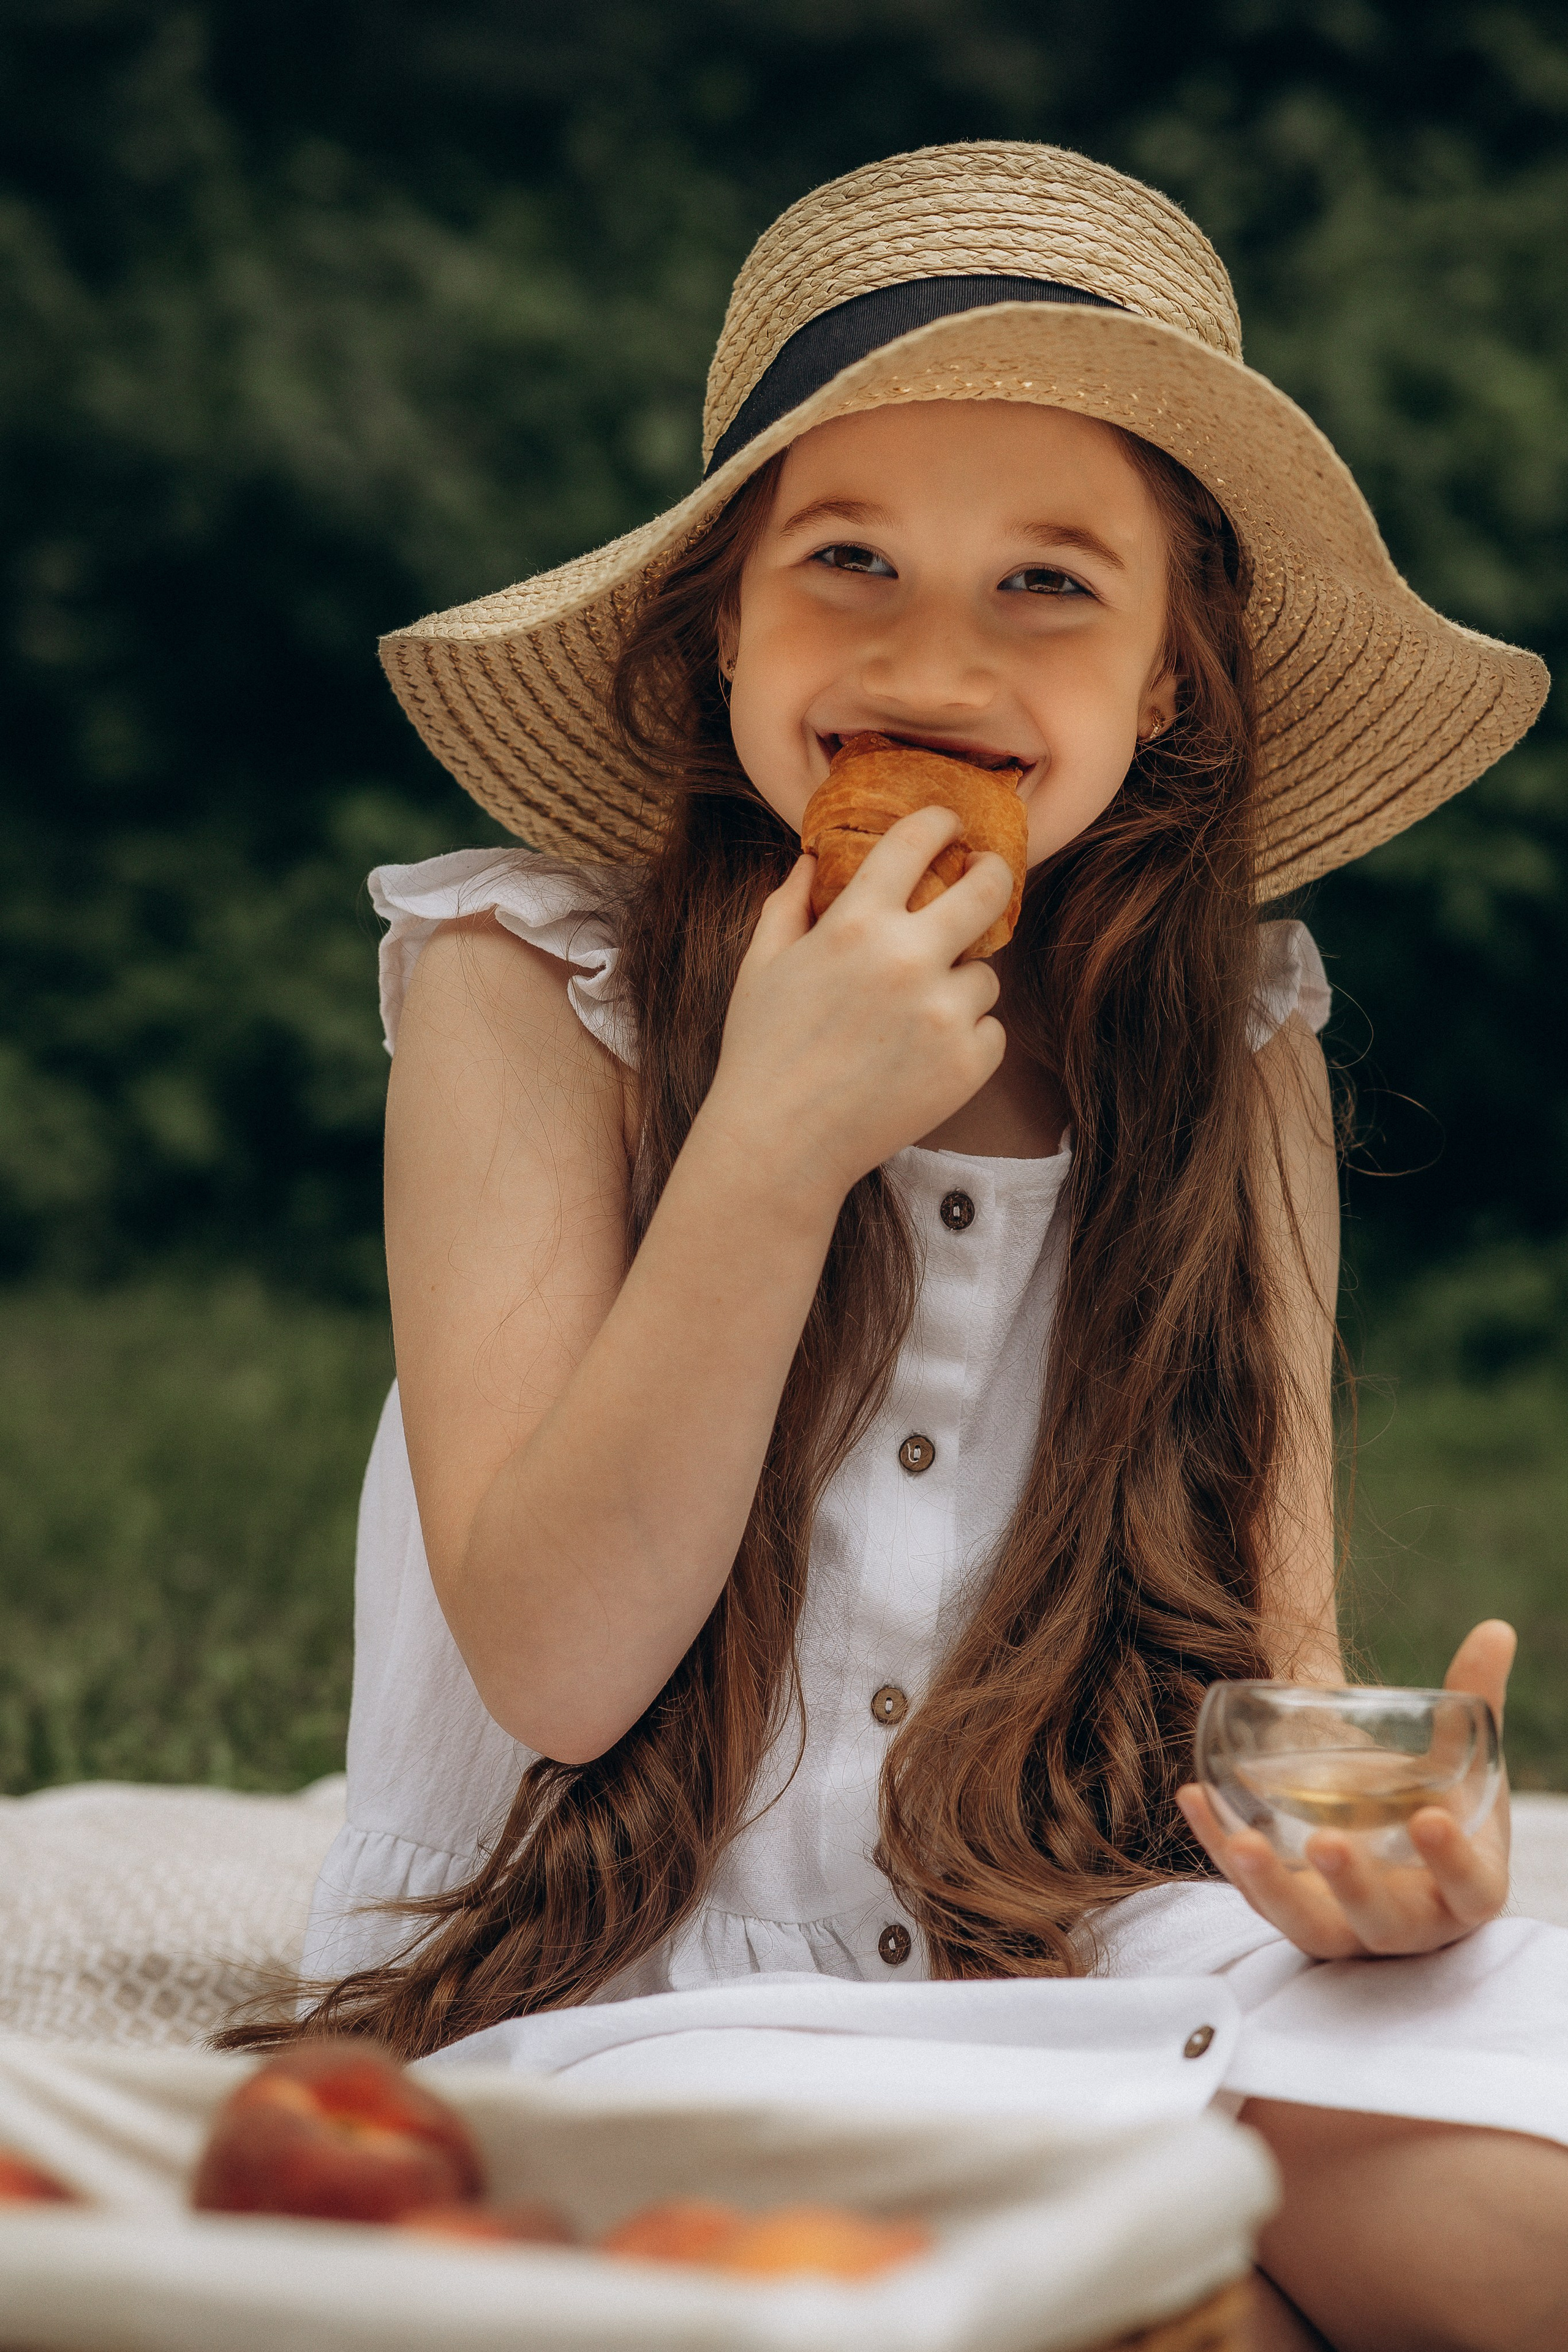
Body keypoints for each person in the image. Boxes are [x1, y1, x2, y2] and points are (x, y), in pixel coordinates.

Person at [249, 146, 1564, 2347]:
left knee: (1516, 2229)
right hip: (632, 1968)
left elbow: (1274, 1672)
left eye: (1053, 585)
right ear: (722, 630)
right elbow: (562, 1664)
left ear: (1168, 688)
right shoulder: (521, 981)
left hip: (1083, 1938)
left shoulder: (1227, 1039)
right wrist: (774, 1139)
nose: (931, 655)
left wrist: (1360, 1854)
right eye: (844, 556)